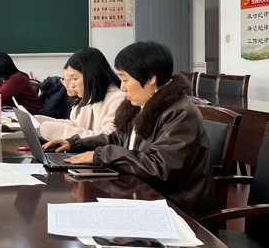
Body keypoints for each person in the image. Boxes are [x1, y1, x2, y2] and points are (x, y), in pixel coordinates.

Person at [45, 41, 215, 217]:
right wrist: (76, 144)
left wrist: (103, 154)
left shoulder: (179, 113)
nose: (122, 87)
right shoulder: (144, 104)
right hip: (144, 195)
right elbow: (119, 139)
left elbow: (161, 168)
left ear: (151, 78)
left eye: (125, 79)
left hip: (175, 207)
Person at [35, 47, 125, 141]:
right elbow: (77, 124)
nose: (71, 85)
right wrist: (38, 120)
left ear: (91, 76)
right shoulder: (92, 97)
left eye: (74, 78)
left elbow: (107, 138)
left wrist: (54, 130)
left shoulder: (118, 98)